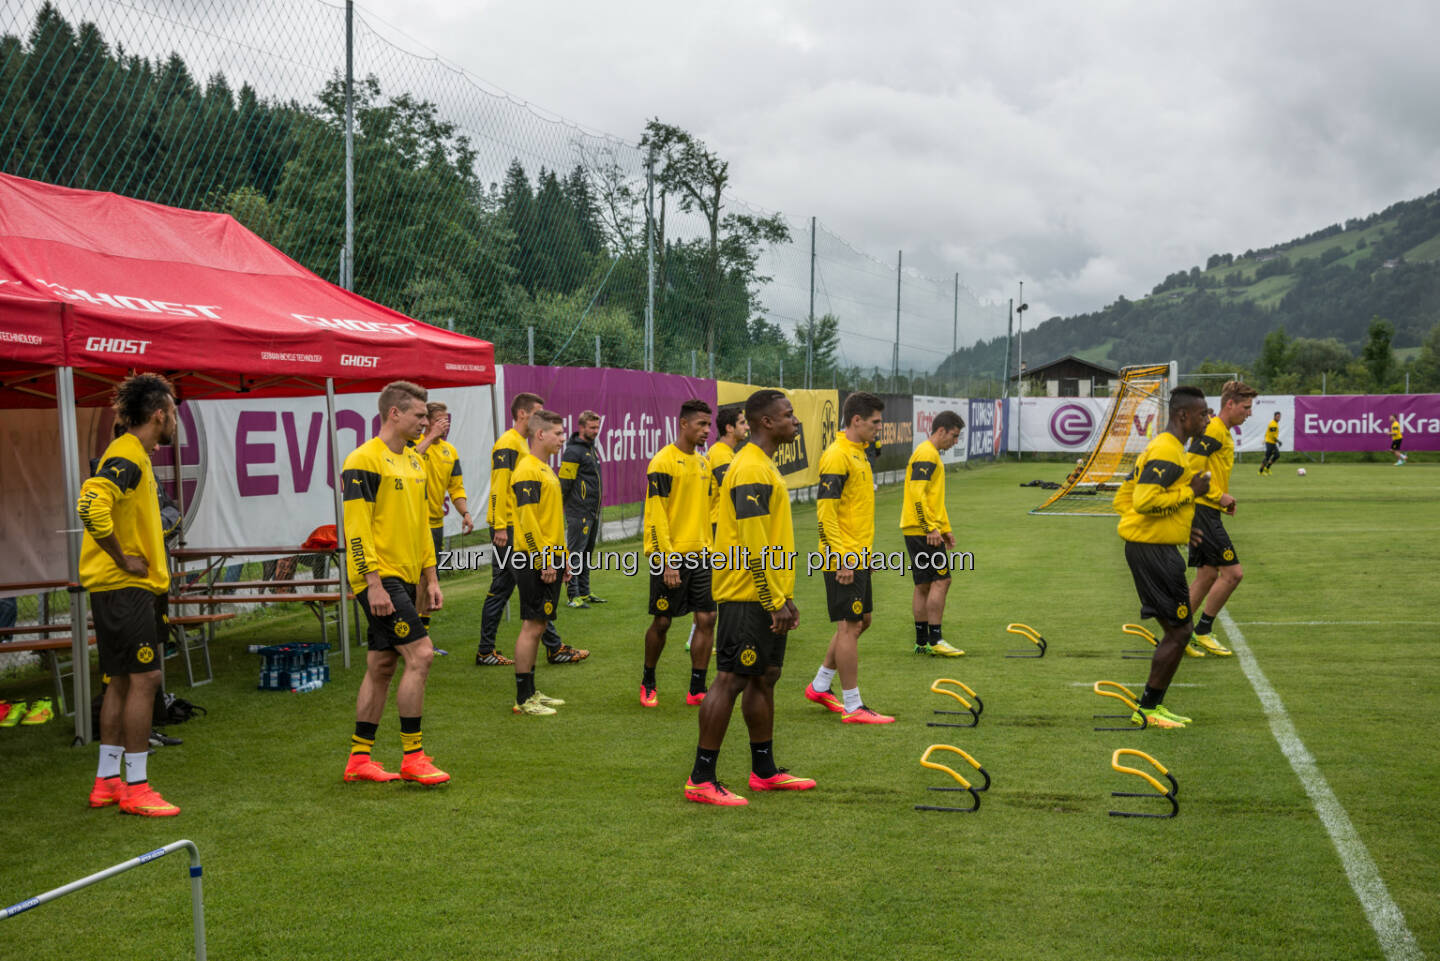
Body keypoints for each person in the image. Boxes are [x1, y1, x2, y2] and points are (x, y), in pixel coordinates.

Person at [685, 389, 815, 807]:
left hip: (767, 592)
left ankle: (764, 772)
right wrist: (771, 598)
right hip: (746, 594)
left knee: (765, 676)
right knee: (731, 679)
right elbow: (752, 545)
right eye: (788, 415)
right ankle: (701, 778)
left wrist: (784, 597)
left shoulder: (763, 466)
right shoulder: (751, 469)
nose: (794, 422)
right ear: (767, 422)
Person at [77, 373, 180, 816]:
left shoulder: (133, 454)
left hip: (125, 590)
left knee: (120, 683)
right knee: (146, 680)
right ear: (159, 414)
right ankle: (137, 788)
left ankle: (107, 782)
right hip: (125, 587)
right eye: (173, 411)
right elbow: (89, 503)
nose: (176, 419)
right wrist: (122, 558)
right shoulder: (128, 455)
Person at [342, 381, 449, 785]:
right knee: (420, 656)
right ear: (395, 414)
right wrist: (372, 583)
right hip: (378, 577)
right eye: (421, 415)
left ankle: (358, 759)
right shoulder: (363, 460)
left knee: (382, 664)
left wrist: (431, 577)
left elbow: (423, 527)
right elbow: (356, 529)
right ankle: (413, 756)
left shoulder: (416, 462)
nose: (427, 422)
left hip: (406, 577)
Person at [1115, 385, 1212, 729]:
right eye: (1202, 414)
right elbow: (1142, 500)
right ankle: (1148, 709)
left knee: (1178, 630)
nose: (1207, 419)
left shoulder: (1167, 449)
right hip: (1152, 553)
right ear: (1183, 415)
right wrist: (1191, 491)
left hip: (1154, 546)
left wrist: (1175, 528)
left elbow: (1125, 496)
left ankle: (1151, 706)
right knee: (1180, 632)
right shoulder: (1167, 450)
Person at [478, 393, 587, 666]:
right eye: (538, 411)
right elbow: (499, 485)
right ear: (524, 414)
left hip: (520, 527)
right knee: (509, 587)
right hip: (513, 527)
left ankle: (546, 646)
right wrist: (499, 525)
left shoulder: (526, 450)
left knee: (510, 587)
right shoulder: (508, 443)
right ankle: (490, 649)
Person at [804, 390, 893, 724]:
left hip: (859, 555)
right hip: (843, 557)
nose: (879, 428)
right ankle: (853, 706)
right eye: (875, 422)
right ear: (856, 420)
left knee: (861, 622)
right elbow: (825, 513)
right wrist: (841, 558)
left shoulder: (859, 453)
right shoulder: (837, 455)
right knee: (850, 625)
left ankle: (820, 685)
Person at [640, 400, 717, 708]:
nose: (706, 430)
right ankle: (648, 681)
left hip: (702, 555)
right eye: (701, 424)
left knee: (707, 617)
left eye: (709, 425)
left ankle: (697, 688)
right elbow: (655, 515)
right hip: (670, 556)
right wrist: (667, 559)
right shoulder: (662, 462)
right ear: (683, 424)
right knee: (662, 622)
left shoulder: (703, 463)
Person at [508, 409, 574, 716]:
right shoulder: (526, 470)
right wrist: (545, 559)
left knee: (540, 623)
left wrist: (563, 559)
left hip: (550, 558)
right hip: (534, 559)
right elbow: (528, 520)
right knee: (532, 626)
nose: (563, 438)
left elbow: (551, 521)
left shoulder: (546, 469)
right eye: (558, 433)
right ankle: (523, 698)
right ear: (540, 434)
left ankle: (531, 691)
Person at [1186, 381, 1258, 657]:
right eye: (1246, 407)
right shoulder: (1215, 429)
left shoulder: (1221, 430)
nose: (1248, 413)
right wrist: (1219, 496)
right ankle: (1201, 631)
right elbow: (1191, 469)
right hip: (1202, 510)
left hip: (1206, 509)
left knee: (1206, 575)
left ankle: (1178, 635)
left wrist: (1220, 498)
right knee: (1233, 573)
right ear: (1230, 404)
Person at [900, 410, 965, 656]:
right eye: (954, 436)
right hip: (922, 530)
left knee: (924, 584)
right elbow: (917, 494)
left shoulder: (929, 453)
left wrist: (944, 528)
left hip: (918, 528)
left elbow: (932, 499)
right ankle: (936, 640)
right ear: (941, 431)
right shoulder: (926, 453)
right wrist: (930, 528)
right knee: (941, 580)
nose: (955, 441)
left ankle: (922, 642)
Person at [414, 401, 473, 636]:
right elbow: (408, 461)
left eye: (447, 419)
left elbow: (456, 488)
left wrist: (465, 513)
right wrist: (430, 438)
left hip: (434, 524)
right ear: (427, 421)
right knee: (413, 581)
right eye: (439, 419)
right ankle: (410, 636)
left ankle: (422, 636)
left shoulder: (450, 451)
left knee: (429, 582)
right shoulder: (415, 444)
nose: (445, 424)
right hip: (412, 524)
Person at [560, 410, 606, 608]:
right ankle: (573, 596)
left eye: (597, 427)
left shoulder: (590, 448)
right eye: (592, 427)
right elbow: (564, 483)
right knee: (575, 553)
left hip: (591, 511)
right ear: (581, 427)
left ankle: (585, 592)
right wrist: (563, 506)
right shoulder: (573, 451)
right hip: (578, 511)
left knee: (587, 553)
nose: (596, 431)